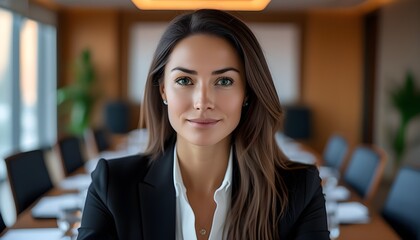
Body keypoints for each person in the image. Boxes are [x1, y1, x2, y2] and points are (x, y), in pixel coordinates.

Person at [77, 9, 329, 240]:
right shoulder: (112, 186)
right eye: (185, 80)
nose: (202, 102)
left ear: (248, 93)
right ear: (163, 90)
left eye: (224, 81)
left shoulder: (299, 191)